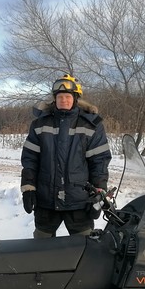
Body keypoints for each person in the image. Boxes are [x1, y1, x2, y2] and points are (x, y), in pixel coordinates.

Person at [20, 74, 112, 238]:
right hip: (46, 200)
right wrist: (28, 188)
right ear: (54, 99)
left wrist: (99, 191)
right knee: (40, 248)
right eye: (60, 97)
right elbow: (30, 160)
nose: (64, 100)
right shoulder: (40, 124)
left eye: (68, 96)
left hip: (79, 202)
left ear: (76, 99)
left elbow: (99, 161)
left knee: (84, 249)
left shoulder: (91, 125)